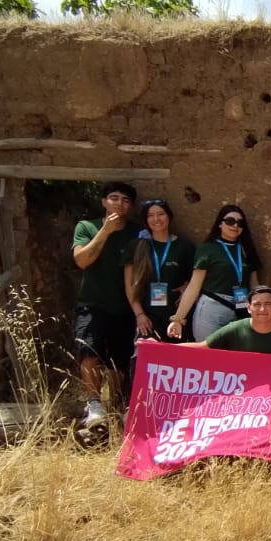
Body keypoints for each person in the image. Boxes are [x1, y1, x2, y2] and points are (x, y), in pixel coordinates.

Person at [72, 181, 138, 428]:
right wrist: (105, 231)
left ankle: (117, 407)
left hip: (125, 307)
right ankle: (94, 404)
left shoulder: (136, 233)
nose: (119, 203)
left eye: (125, 200)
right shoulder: (87, 226)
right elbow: (82, 260)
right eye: (114, 198)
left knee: (120, 362)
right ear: (103, 201)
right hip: (93, 303)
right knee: (89, 353)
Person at [166, 205, 261, 343]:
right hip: (212, 308)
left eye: (240, 223)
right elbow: (194, 286)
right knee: (209, 356)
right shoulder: (208, 249)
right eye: (230, 221)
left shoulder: (247, 249)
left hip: (241, 309)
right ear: (219, 224)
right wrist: (178, 319)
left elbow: (254, 285)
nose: (235, 225)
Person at [123, 198, 196, 344]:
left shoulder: (184, 246)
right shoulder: (136, 246)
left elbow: (195, 279)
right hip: (147, 316)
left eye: (161, 214)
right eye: (150, 215)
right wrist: (140, 315)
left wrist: (187, 287)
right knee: (143, 358)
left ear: (169, 216)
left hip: (176, 316)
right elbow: (130, 286)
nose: (156, 219)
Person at [192, 286, 271, 354]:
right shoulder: (234, 329)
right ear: (249, 308)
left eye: (268, 304)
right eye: (257, 304)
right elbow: (202, 346)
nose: (262, 309)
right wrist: (174, 349)